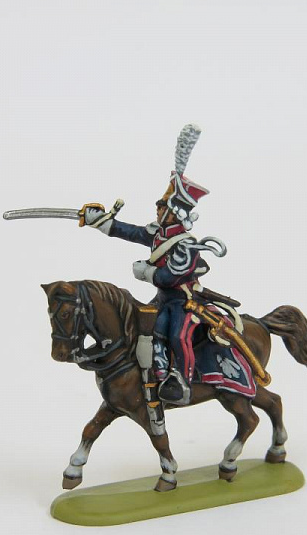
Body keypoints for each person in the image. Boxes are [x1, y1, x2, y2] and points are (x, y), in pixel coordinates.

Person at [82, 124, 225, 404]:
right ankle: (157, 371)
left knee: (178, 336)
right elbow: (130, 232)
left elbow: (172, 276)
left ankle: (181, 381)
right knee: (146, 330)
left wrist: (147, 272)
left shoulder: (185, 244)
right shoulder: (159, 234)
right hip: (163, 300)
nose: (157, 210)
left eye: (162, 207)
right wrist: (100, 222)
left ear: (175, 212)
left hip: (184, 302)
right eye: (160, 206)